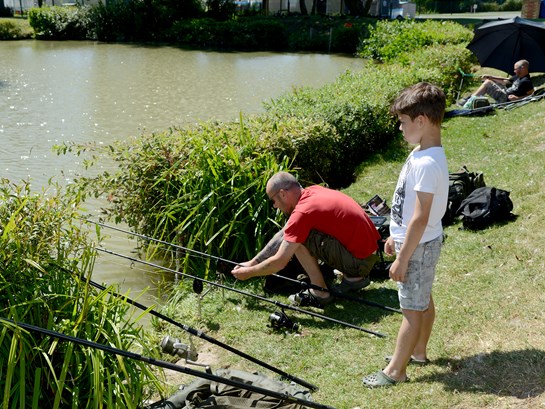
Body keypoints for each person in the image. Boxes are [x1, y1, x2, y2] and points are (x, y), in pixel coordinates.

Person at [362, 82, 449, 387]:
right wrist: (393, 237)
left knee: (411, 308)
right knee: (421, 298)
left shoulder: (427, 162)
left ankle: (395, 371)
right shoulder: (421, 152)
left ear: (422, 121)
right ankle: (419, 351)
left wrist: (402, 257)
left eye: (403, 122)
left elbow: (421, 217)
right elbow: (407, 206)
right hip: (416, 243)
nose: (400, 128)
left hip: (418, 246)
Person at [231, 172, 381, 307]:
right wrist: (252, 262)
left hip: (359, 262)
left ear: (283, 194)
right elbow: (285, 232)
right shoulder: (313, 191)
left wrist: (249, 273)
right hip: (367, 255)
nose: (275, 206)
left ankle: (320, 292)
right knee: (294, 232)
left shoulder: (303, 212)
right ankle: (353, 279)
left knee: (299, 240)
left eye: (273, 200)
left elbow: (279, 262)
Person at [463, 59, 534, 107]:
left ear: (523, 68)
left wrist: (517, 98)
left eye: (515, 69)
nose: (514, 71)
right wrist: (491, 77)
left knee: (488, 83)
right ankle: (470, 98)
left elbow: (531, 95)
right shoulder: (517, 76)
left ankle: (469, 102)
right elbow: (504, 81)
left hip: (506, 99)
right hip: (505, 92)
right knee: (491, 80)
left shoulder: (526, 81)